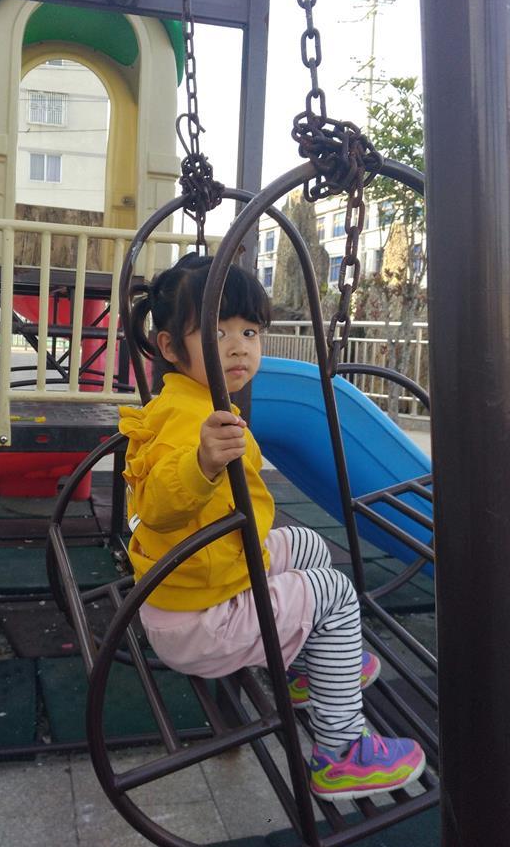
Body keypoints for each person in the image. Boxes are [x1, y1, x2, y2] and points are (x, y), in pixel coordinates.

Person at [118, 253, 426, 802]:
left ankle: (310, 666)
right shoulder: (191, 424)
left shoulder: (190, 399)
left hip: (198, 584)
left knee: (305, 542)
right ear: (170, 347)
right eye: (216, 332)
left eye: (250, 331)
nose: (239, 346)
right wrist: (200, 465)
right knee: (336, 592)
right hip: (201, 621)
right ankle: (341, 754)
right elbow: (159, 504)